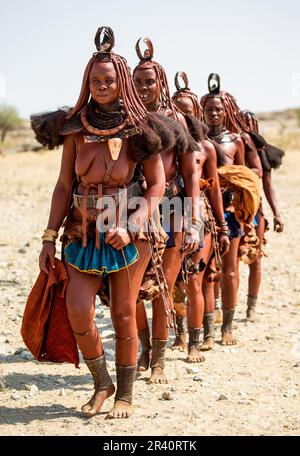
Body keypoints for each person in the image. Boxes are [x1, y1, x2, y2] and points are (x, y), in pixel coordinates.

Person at [30, 26, 185, 419]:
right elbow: (64, 186)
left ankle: (126, 395)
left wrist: (132, 225)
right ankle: (102, 384)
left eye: (109, 80)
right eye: (95, 80)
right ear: (87, 82)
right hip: (82, 230)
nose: (102, 85)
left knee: (123, 311)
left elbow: (157, 185)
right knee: (78, 307)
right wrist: (49, 237)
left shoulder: (141, 129)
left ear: (122, 82)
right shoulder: (76, 129)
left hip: (130, 233)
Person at [133, 39, 201, 381]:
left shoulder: (178, 120)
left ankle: (158, 359)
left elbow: (191, 172)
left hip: (172, 208)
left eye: (150, 81)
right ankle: (144, 348)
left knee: (163, 285)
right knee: (129, 291)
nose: (144, 87)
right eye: (138, 81)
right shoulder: (126, 117)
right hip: (131, 209)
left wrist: (194, 220)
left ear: (161, 82)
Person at [172, 71, 230, 356]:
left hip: (200, 217)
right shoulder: (163, 144)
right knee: (172, 281)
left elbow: (215, 189)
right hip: (169, 215)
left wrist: (222, 226)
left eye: (188, 112)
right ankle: (179, 334)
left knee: (197, 278)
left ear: (196, 113)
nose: (182, 117)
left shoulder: (206, 147)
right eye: (177, 111)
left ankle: (197, 341)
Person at [242, 110, 284, 320]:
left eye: (250, 123)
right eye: (243, 122)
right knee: (223, 260)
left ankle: (251, 305)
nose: (246, 127)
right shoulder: (233, 147)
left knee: (255, 258)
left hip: (255, 211)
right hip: (234, 210)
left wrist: (276, 214)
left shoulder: (262, 153)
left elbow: (268, 186)